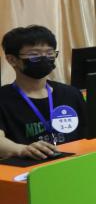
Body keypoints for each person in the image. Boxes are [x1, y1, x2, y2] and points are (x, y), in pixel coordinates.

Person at [0, 25, 86, 160]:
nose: (44, 58)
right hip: (30, 167)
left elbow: (90, 132)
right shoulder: (3, 98)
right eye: (34, 54)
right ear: (12, 60)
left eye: (50, 53)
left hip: (75, 162)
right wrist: (21, 149)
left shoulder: (71, 93)